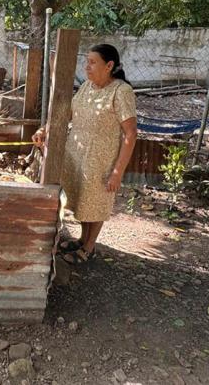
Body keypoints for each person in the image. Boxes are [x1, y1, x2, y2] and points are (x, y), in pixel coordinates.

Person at [33, 43, 137, 263]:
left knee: (96, 202)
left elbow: (131, 133)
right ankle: (82, 239)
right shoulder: (87, 87)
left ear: (109, 65)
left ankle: (89, 248)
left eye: (92, 62)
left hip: (101, 159)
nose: (86, 66)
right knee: (83, 200)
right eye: (86, 61)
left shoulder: (121, 91)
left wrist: (117, 172)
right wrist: (45, 129)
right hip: (77, 154)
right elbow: (66, 114)